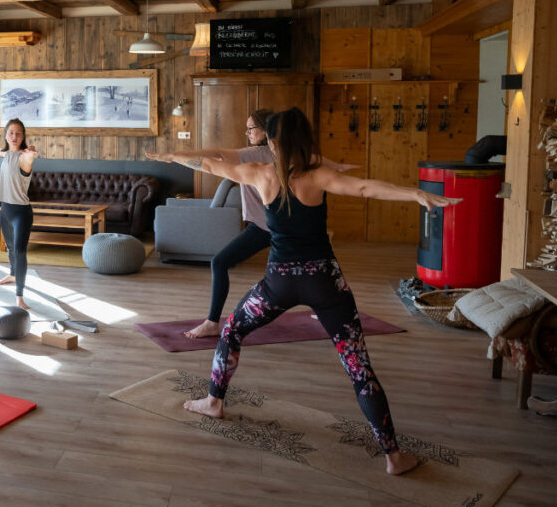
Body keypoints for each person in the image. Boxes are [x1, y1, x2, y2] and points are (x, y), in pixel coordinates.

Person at [146, 107, 460, 475]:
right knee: (359, 368)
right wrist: (414, 194)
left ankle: (214, 402)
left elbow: (210, 165)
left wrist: (171, 156)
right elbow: (365, 188)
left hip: (278, 282)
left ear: (272, 141)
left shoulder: (260, 174)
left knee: (231, 330)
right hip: (326, 282)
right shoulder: (318, 176)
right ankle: (394, 456)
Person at [148, 109, 356, 339]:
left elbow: (214, 155)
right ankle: (324, 305)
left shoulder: (252, 154)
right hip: (286, 229)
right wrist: (338, 165)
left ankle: (212, 322)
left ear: (266, 132)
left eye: (251, 128)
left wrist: (175, 154)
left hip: (265, 228)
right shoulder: (294, 154)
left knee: (220, 263)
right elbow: (316, 160)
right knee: (315, 266)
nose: (246, 133)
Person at [0, 118, 38, 310]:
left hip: (21, 212)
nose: (14, 136)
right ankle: (13, 274)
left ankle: (19, 296)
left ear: (23, 136)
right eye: (11, 132)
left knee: (20, 252)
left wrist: (32, 154)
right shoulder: (5, 154)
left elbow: (30, 156)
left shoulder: (24, 157)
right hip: (5, 209)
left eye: (18, 133)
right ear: (6, 135)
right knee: (11, 248)